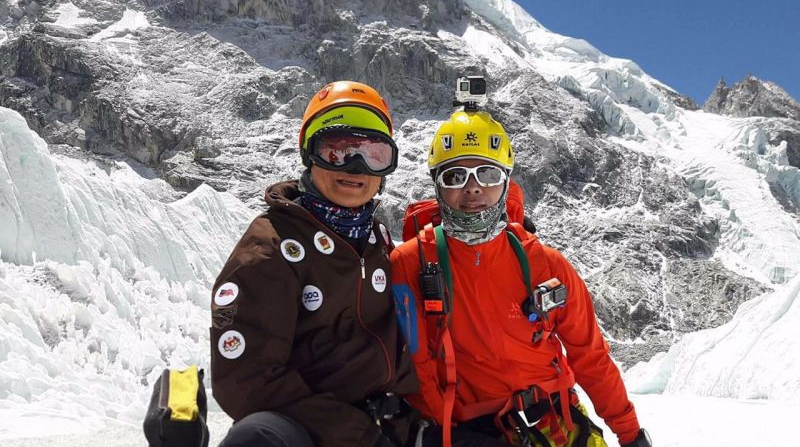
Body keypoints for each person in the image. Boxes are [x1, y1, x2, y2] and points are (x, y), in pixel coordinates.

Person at [390, 110, 651, 447]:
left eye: (487, 174)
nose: (472, 189)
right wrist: (445, 432)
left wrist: (630, 434)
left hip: (555, 421)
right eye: (455, 176)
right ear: (437, 185)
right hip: (469, 430)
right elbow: (417, 364)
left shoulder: (546, 264)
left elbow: (590, 357)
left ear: (506, 182)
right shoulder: (410, 263)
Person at [210, 81, 418, 447]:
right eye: (336, 150)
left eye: (374, 153)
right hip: (314, 433)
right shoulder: (271, 246)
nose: (356, 166)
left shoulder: (377, 242)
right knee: (257, 438)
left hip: (395, 427)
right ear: (309, 154)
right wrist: (360, 437)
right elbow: (248, 380)